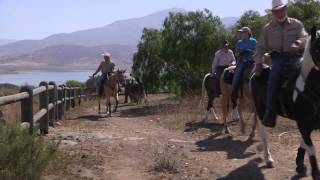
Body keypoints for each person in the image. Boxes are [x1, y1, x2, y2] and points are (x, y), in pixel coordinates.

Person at [254, 0, 308, 127]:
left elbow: (305, 37)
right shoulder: (267, 29)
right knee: (273, 79)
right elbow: (260, 47)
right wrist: (258, 63)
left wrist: (299, 43)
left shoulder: (297, 24)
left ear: (286, 9)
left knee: (312, 72)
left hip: (296, 56)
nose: (280, 12)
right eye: (277, 11)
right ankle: (270, 113)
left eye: (282, 9)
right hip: (278, 58)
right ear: (273, 13)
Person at [231, 27, 257, 108]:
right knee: (237, 72)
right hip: (243, 61)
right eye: (241, 33)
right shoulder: (239, 42)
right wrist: (240, 54)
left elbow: (257, 51)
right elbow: (236, 53)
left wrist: (251, 51)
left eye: (243, 32)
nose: (241, 34)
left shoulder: (254, 41)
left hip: (253, 60)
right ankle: (233, 90)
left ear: (248, 34)